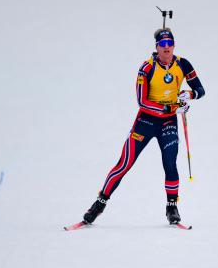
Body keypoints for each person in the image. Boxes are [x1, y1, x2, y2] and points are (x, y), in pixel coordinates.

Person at [81, 27, 205, 225]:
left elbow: (200, 89)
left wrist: (188, 95)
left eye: (170, 44)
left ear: (174, 45)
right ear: (157, 47)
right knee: (124, 163)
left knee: (170, 163)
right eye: (163, 44)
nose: (167, 48)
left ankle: (172, 207)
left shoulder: (183, 63)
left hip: (168, 123)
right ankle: (99, 203)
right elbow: (142, 101)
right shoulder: (146, 68)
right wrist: (171, 107)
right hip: (146, 122)